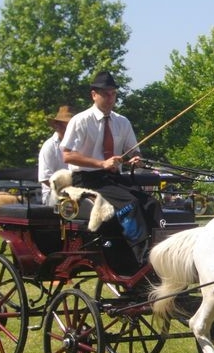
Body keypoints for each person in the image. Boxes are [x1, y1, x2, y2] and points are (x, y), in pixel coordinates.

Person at [60, 71, 156, 265]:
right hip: (87, 178)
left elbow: (134, 152)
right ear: (94, 95)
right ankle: (141, 258)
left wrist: (135, 159)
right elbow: (67, 155)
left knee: (151, 203)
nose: (110, 98)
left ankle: (159, 248)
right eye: (106, 94)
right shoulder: (81, 121)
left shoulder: (122, 122)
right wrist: (101, 163)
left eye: (113, 94)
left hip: (111, 178)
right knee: (130, 205)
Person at [38, 105, 76, 205]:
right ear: (56, 126)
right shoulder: (49, 146)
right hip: (53, 194)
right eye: (65, 125)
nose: (69, 129)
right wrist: (68, 190)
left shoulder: (79, 144)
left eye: (70, 126)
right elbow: (46, 179)